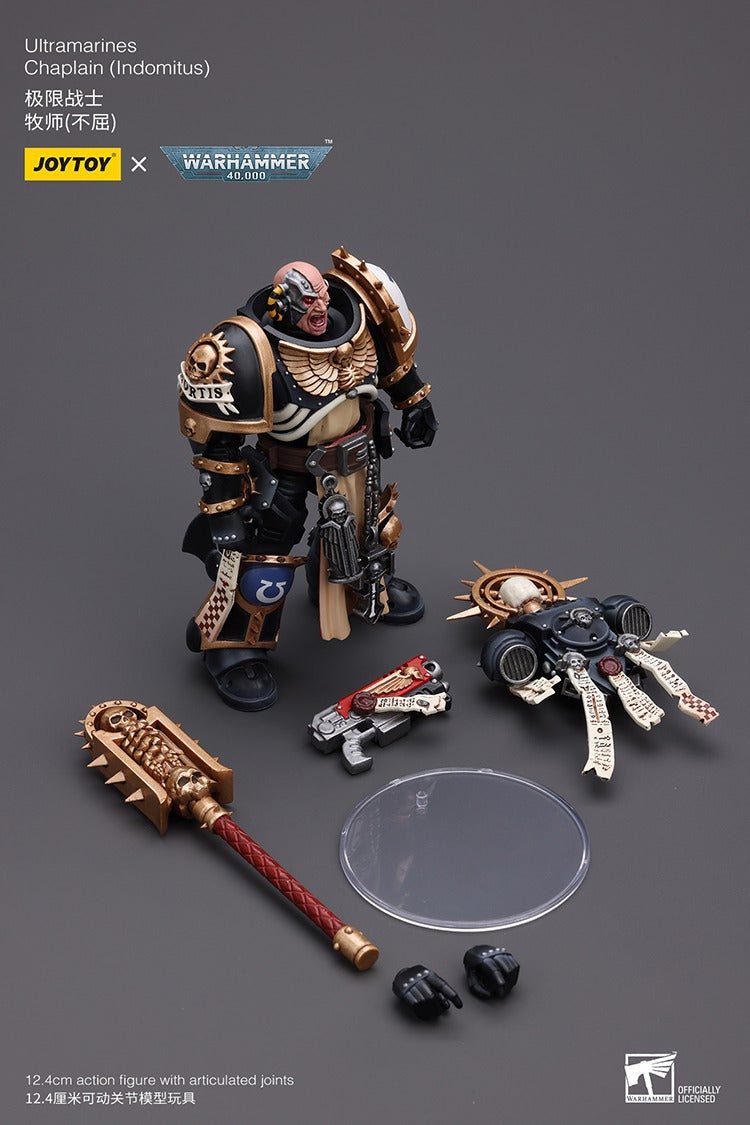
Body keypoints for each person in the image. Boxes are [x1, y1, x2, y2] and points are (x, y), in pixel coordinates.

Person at [178, 246, 438, 710]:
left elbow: (394, 360)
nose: (320, 307)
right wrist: (224, 510)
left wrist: (414, 401)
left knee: (369, 530)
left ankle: (363, 592)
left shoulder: (359, 311)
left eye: (322, 296)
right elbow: (217, 442)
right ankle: (234, 644)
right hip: (287, 466)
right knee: (263, 554)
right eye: (307, 301)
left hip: (357, 454)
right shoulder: (246, 348)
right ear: (282, 303)